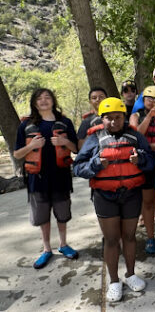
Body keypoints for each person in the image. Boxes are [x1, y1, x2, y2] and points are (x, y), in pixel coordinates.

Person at [73, 97, 154, 302]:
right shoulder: (94, 138)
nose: (113, 122)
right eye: (108, 118)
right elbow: (78, 167)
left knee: (129, 236)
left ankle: (130, 274)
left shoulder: (135, 136)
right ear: (102, 119)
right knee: (110, 240)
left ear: (124, 117)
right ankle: (115, 281)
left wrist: (141, 159)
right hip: (105, 196)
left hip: (131, 194)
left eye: (118, 117)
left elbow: (151, 162)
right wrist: (95, 164)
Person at [14, 88, 79, 270]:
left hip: (61, 177)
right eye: (39, 98)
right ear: (34, 103)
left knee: (62, 214)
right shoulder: (25, 126)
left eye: (47, 97)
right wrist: (32, 146)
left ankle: (64, 244)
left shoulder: (64, 122)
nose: (43, 101)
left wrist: (64, 142)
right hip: (37, 179)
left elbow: (75, 149)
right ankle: (46, 249)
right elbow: (17, 153)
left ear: (53, 100)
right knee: (42, 216)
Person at [130, 85, 155, 255]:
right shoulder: (135, 116)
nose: (152, 102)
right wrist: (149, 116)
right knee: (147, 201)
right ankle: (150, 238)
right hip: (146, 162)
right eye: (149, 98)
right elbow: (136, 136)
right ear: (143, 99)